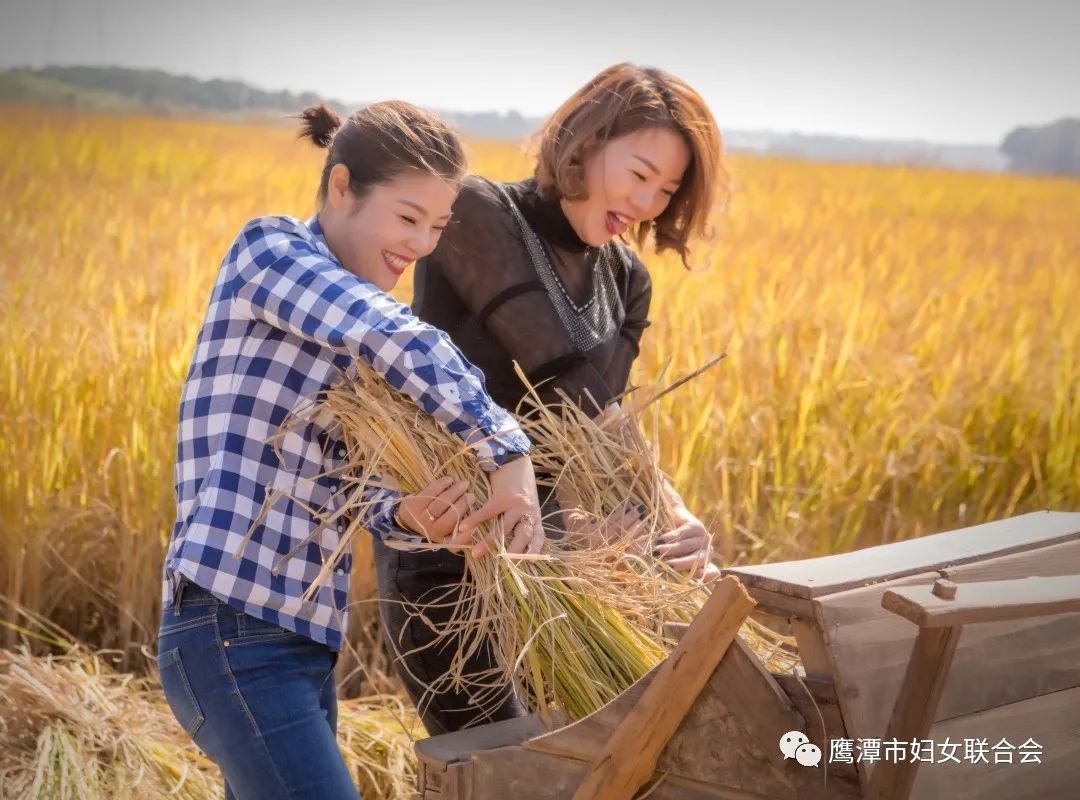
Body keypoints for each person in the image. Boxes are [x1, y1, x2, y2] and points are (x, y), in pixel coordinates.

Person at [157, 101, 545, 800]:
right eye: (407, 218)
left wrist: (408, 517)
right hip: (231, 626)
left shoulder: (347, 342)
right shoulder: (271, 253)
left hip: (299, 644)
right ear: (341, 188)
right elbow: (398, 335)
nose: (422, 243)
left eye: (437, 226)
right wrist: (504, 450)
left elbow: (342, 488)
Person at [374, 63, 729, 736]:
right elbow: (566, 379)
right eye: (639, 172)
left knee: (590, 757)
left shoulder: (627, 280)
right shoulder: (477, 212)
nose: (648, 201)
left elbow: (583, 441)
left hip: (559, 566)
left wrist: (634, 526)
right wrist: (667, 503)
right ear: (586, 142)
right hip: (456, 541)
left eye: (668, 189)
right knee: (491, 760)